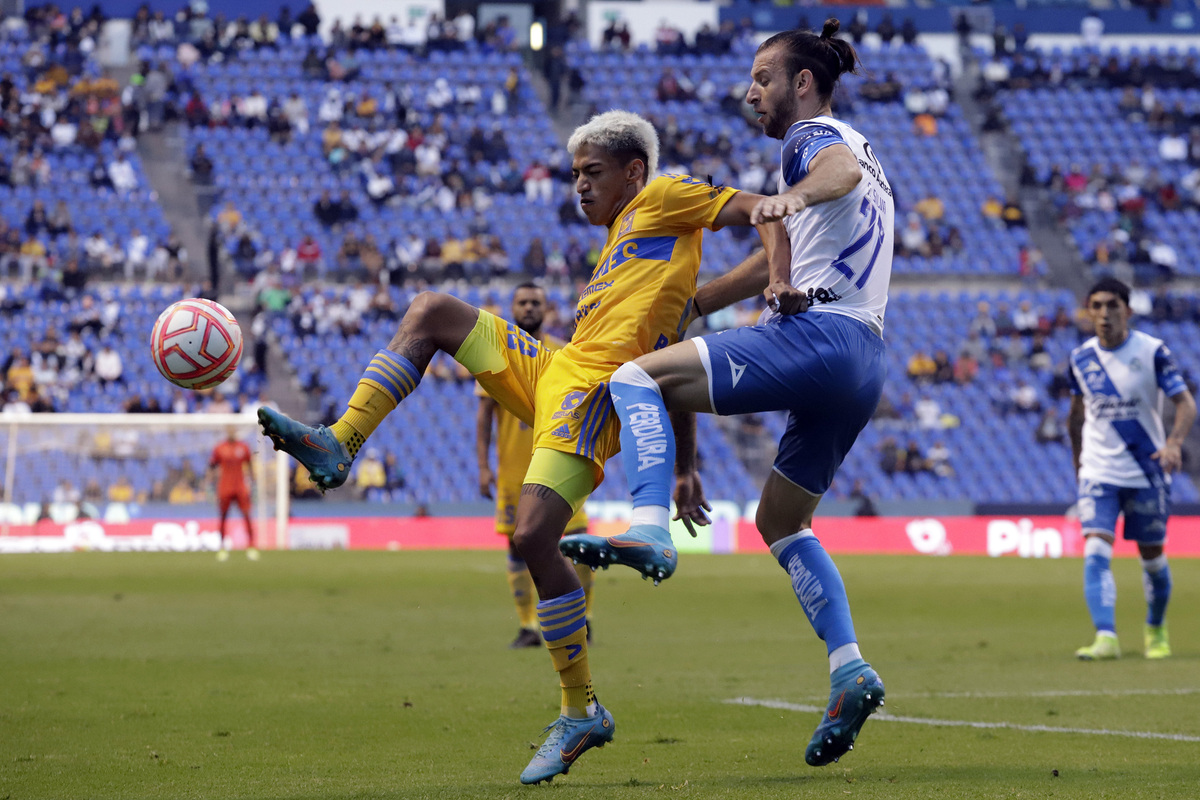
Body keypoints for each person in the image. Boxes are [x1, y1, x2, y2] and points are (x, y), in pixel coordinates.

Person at [256, 109, 788, 785]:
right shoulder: (631, 241)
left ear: (634, 170)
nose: (579, 187)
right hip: (555, 366)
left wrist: (777, 276)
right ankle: (339, 442)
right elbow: (677, 356)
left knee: (536, 534)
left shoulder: (664, 195)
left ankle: (580, 708)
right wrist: (684, 467)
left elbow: (766, 211)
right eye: (573, 175)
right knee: (430, 311)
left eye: (592, 173)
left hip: (593, 393)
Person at [558, 19, 889, 768]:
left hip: (822, 338)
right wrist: (704, 299)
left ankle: (647, 527)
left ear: (802, 82)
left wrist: (792, 196)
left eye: (763, 77)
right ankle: (849, 669)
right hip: (865, 359)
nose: (751, 91)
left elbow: (830, 178)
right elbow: (806, 227)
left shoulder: (811, 137)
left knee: (634, 374)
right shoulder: (868, 144)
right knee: (780, 520)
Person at [1067, 278, 1195, 661]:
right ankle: (1106, 636)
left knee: (1152, 558)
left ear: (1128, 310)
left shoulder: (1153, 351)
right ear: (1089, 312)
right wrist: (1079, 464)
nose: (1104, 314)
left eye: (1112, 305)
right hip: (1099, 471)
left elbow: (1186, 403)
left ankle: (1156, 628)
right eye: (1097, 306)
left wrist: (1173, 444)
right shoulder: (1081, 360)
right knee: (1094, 550)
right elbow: (1075, 418)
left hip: (1146, 469)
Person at [477, 284, 595, 649]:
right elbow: (483, 417)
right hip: (514, 469)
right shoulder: (497, 355)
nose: (529, 308)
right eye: (522, 302)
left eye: (535, 303)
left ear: (547, 309)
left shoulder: (565, 353)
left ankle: (584, 619)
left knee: (576, 544)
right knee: (518, 547)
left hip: (560, 461)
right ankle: (528, 625)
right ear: (512, 308)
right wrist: (483, 466)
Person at [207, 428, 258, 561]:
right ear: (226, 432)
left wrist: (254, 482)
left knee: (247, 515)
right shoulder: (220, 448)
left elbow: (250, 464)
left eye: (233, 430)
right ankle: (222, 547)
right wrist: (210, 484)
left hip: (240, 487)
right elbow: (212, 465)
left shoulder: (243, 447)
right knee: (223, 517)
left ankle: (251, 547)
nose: (231, 433)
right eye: (229, 430)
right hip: (225, 487)